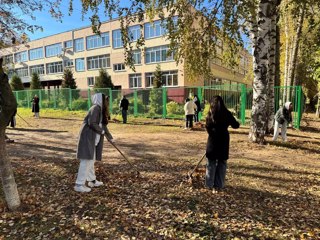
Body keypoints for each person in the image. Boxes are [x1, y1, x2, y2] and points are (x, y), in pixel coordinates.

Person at [74, 93, 114, 193]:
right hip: (87, 137)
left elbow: (103, 126)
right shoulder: (95, 108)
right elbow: (92, 123)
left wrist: (110, 137)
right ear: (100, 100)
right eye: (105, 100)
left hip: (93, 139)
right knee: (86, 161)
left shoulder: (100, 110)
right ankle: (79, 184)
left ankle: (91, 180)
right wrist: (102, 132)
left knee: (91, 160)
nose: (106, 102)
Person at [205, 96, 240, 193]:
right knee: (222, 162)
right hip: (223, 140)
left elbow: (207, 126)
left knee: (211, 162)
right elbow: (235, 125)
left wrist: (212, 133)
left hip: (213, 139)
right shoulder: (227, 113)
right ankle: (219, 185)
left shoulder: (210, 113)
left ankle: (209, 184)